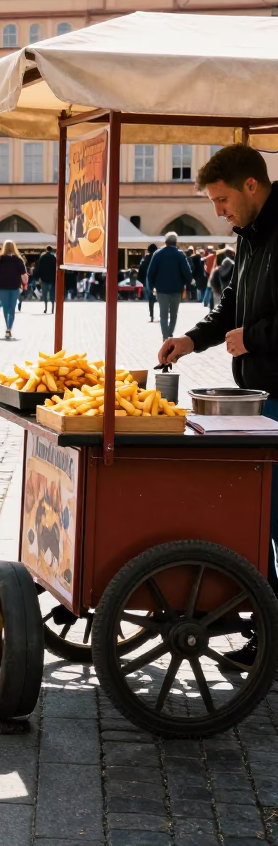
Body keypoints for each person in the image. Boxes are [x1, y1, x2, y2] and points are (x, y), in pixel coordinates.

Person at [159, 145, 278, 666]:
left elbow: (251, 322)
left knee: (274, 518)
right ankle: (270, 623)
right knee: (259, 517)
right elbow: (229, 304)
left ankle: (272, 632)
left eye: (223, 199)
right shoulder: (249, 236)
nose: (219, 211)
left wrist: (252, 338)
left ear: (251, 185)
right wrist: (190, 340)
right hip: (261, 396)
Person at [146, 232, 192, 342]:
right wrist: (186, 283)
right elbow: (187, 272)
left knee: (163, 314)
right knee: (174, 314)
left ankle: (165, 337)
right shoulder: (180, 255)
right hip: (176, 289)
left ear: (165, 242)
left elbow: (150, 272)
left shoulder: (158, 254)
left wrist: (152, 286)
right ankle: (170, 334)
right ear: (175, 242)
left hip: (161, 289)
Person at [0, 240, 27, 339]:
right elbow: (24, 275)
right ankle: (9, 328)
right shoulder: (19, 260)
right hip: (15, 286)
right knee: (12, 308)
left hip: (2, 286)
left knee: (5, 308)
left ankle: (7, 327)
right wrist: (24, 283)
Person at [136, 244, 157, 322]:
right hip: (157, 280)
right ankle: (163, 314)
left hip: (147, 280)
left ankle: (151, 315)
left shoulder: (145, 259)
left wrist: (143, 281)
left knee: (150, 299)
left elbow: (140, 270)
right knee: (161, 298)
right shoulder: (157, 258)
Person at [35, 245, 57, 314]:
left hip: (44, 279)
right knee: (52, 294)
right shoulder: (54, 258)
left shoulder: (42, 257)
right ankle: (53, 308)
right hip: (52, 279)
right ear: (51, 250)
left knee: (45, 294)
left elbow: (39, 268)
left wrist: (37, 277)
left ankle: (46, 308)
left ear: (46, 250)